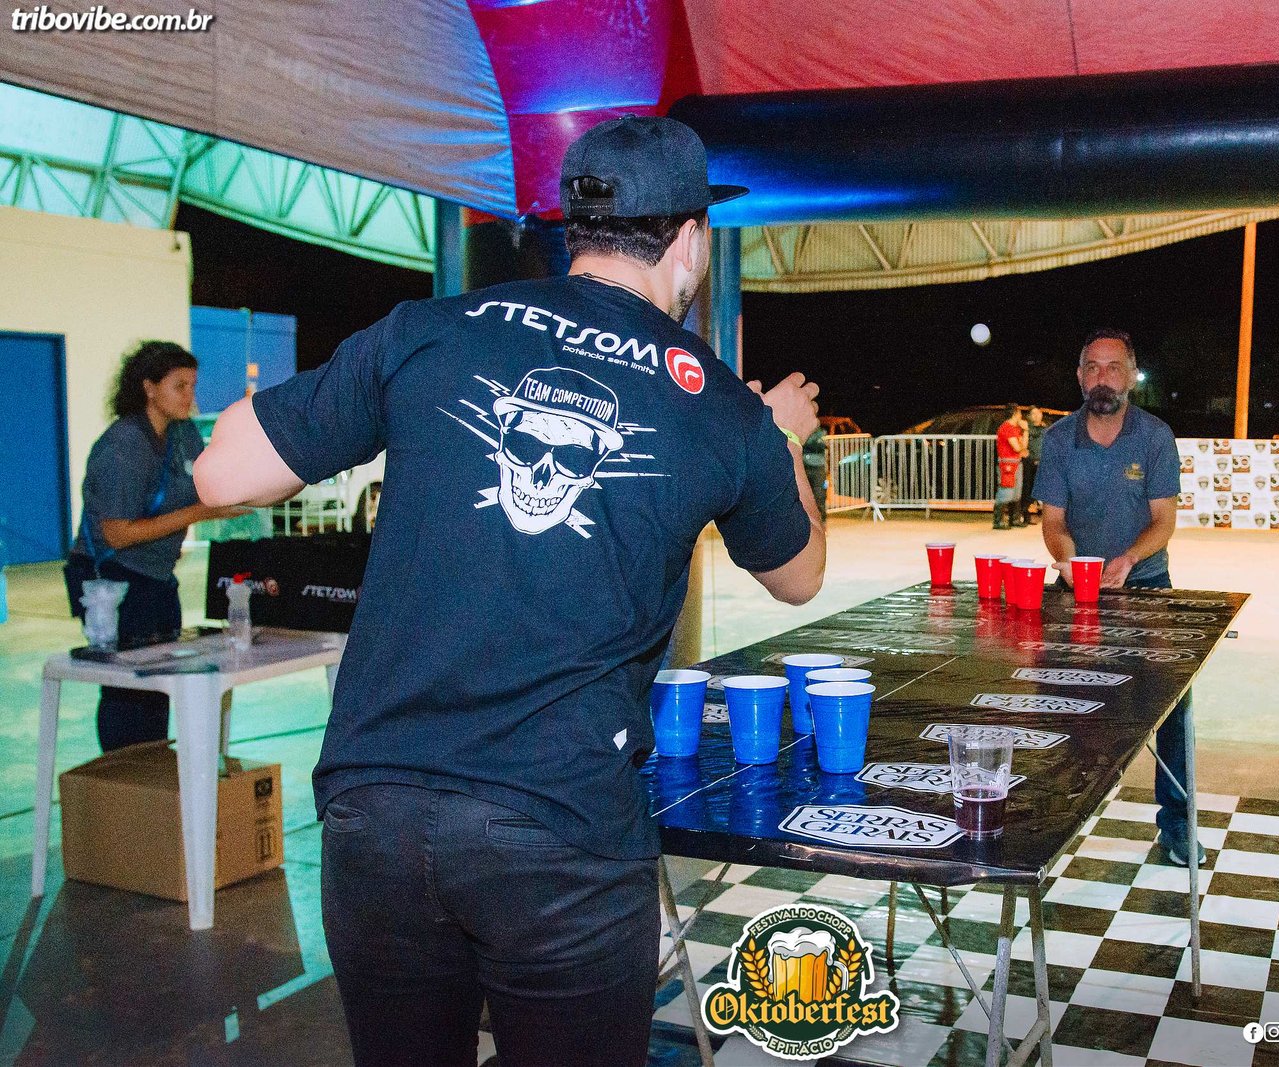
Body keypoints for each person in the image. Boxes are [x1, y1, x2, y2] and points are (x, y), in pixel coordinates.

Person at [195, 116, 826, 1067]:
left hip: (376, 811)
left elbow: (220, 475)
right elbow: (799, 575)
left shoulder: (429, 330)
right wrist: (782, 436)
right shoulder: (721, 407)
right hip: (559, 831)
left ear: (576, 229)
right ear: (692, 241)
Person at [1033, 328, 1200, 865]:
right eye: (1092, 367)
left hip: (1146, 585)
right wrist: (1066, 559)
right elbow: (1053, 521)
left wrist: (1127, 560)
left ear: (1131, 376)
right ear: (1080, 377)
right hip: (1075, 589)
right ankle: (1054, 817)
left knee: (1172, 706)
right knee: (1057, 700)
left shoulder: (1155, 437)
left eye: (1113, 367)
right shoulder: (1059, 439)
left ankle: (1178, 823)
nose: (1102, 377)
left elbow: (1163, 521)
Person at [63, 341, 248, 751]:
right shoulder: (124, 445)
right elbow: (118, 533)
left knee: (162, 684)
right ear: (149, 388)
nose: (190, 396)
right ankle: (124, 771)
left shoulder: (183, 434)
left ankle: (153, 772)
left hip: (157, 577)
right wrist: (200, 514)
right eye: (179, 386)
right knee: (128, 690)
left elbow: (209, 483)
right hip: (113, 580)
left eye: (193, 385)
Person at [994, 406, 1028, 529]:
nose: (1021, 416)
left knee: (1016, 493)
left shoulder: (1016, 428)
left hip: (1016, 462)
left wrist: (1026, 431)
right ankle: (998, 521)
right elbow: (1018, 447)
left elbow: (1023, 446)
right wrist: (1022, 447)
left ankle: (1014, 519)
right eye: (1019, 413)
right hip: (1007, 464)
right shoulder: (1006, 428)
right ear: (1015, 414)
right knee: (1006, 491)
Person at [1021, 406, 1046, 525]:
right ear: (1029, 416)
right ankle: (1025, 514)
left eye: (1038, 413)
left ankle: (1042, 512)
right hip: (1029, 462)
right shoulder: (1026, 428)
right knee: (1028, 489)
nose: (1037, 416)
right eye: (1034, 414)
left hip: (1043, 463)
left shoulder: (1045, 428)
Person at [803, 425, 829, 522]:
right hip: (804, 465)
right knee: (805, 496)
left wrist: (807, 442)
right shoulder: (803, 429)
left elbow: (819, 445)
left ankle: (821, 520)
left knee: (819, 495)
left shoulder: (821, 432)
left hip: (818, 466)